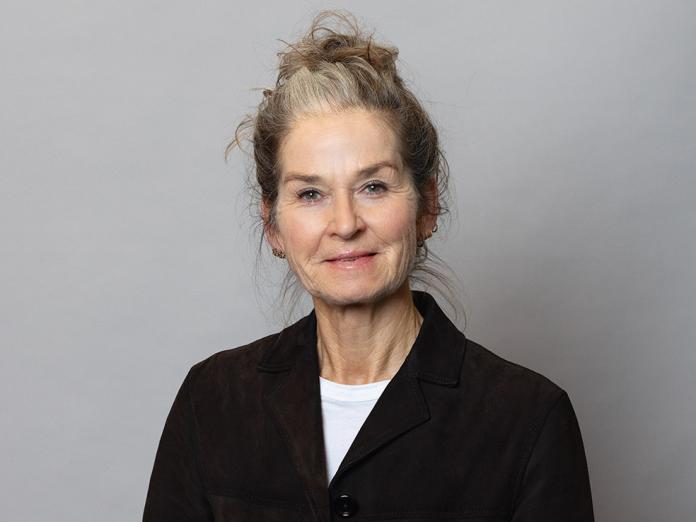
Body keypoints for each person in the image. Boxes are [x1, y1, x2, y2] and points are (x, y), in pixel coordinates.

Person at [143, 10, 594, 522]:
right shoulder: (212, 401)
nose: (345, 223)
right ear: (273, 226)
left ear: (427, 207)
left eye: (373, 186)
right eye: (310, 194)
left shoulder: (528, 419)